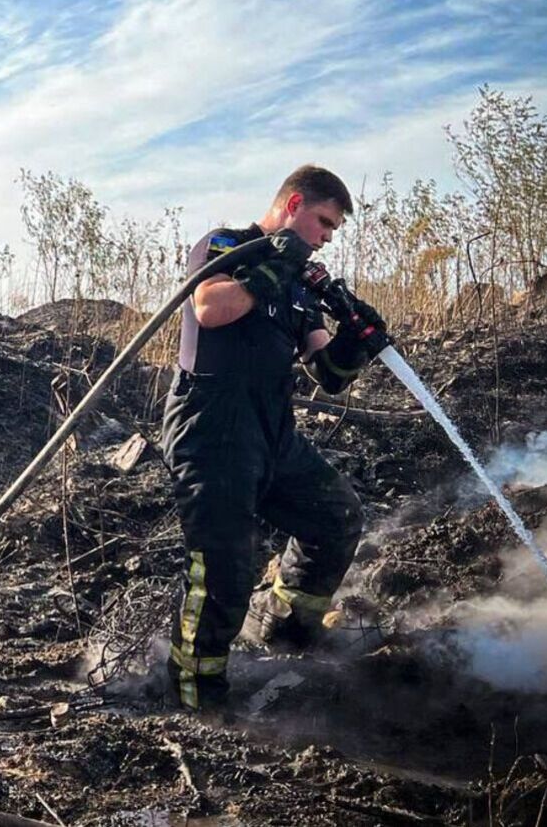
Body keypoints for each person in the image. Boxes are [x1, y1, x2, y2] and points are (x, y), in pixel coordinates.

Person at [160, 164, 388, 712]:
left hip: (271, 430)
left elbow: (325, 373)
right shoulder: (226, 246)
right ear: (293, 207)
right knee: (224, 565)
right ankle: (196, 696)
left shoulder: (297, 288)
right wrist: (279, 260)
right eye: (323, 222)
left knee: (334, 516)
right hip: (212, 425)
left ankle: (286, 628)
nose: (326, 237)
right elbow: (211, 309)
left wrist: (358, 343)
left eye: (333, 229)